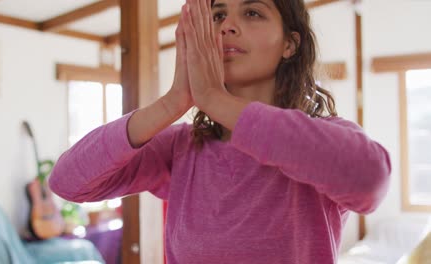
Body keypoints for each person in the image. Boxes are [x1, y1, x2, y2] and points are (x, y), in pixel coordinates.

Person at [49, 0, 391, 263]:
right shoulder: (182, 148)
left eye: (253, 12)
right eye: (218, 15)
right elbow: (66, 181)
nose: (228, 26)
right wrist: (171, 103)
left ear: (290, 44)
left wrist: (215, 99)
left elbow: (371, 180)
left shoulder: (318, 141)